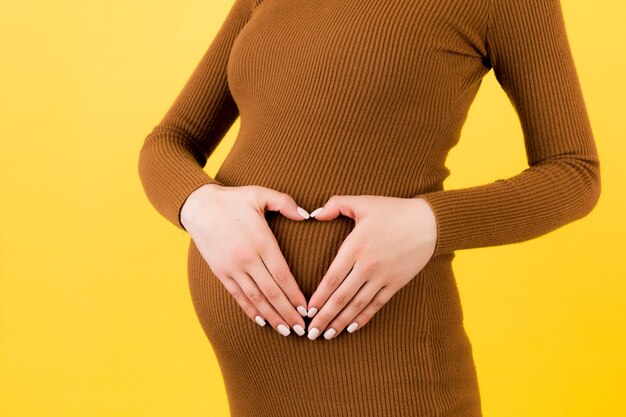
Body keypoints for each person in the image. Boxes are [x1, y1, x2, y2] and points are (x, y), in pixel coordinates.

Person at [137, 0, 601, 415]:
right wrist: (201, 205)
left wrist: (431, 222)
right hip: (255, 382)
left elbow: (575, 172)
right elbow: (169, 141)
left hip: (392, 365)